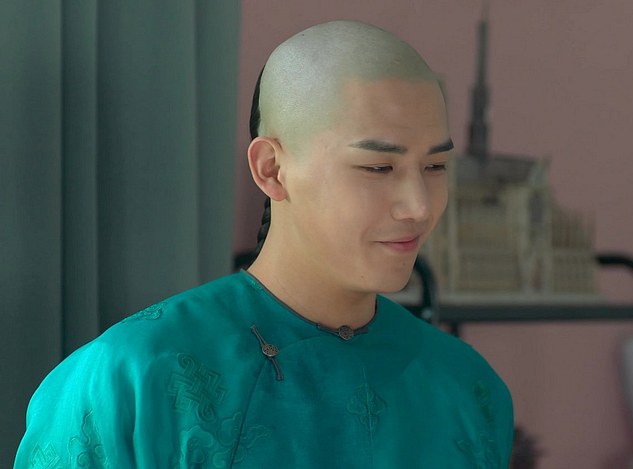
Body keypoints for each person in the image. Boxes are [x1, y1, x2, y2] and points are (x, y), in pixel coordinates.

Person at [15, 20, 513, 468]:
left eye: (435, 166)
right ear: (271, 169)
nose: (419, 207)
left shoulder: (469, 389)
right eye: (379, 167)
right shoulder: (133, 379)